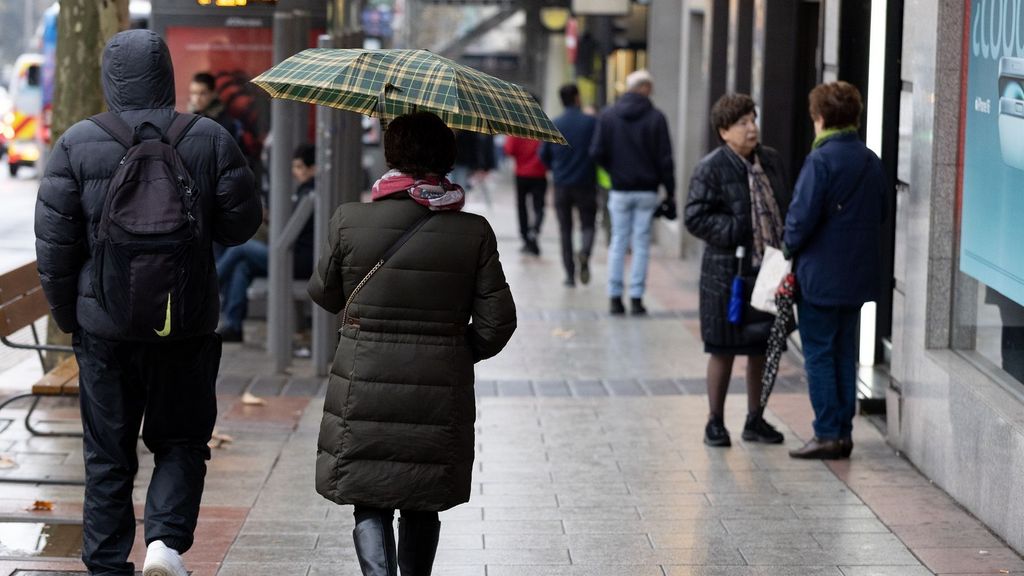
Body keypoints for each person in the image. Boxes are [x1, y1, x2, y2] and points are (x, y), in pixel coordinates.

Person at [34, 30, 261, 576]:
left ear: (109, 78)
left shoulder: (76, 142)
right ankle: (164, 544)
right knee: (182, 440)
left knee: (107, 455)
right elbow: (241, 224)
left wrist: (73, 319)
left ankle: (108, 564)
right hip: (184, 323)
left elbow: (56, 248)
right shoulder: (206, 137)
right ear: (167, 74)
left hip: (105, 329)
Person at [308, 112, 516, 576]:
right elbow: (498, 320)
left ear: (390, 156)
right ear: (447, 158)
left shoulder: (350, 219)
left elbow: (323, 293)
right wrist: (457, 351)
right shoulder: (473, 231)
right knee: (423, 499)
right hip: (438, 385)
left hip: (364, 376)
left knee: (368, 494)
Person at [784, 81, 887, 460]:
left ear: (821, 119)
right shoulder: (870, 160)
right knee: (844, 352)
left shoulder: (821, 161)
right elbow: (881, 213)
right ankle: (842, 432)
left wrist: (787, 247)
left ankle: (827, 432)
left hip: (821, 277)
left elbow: (799, 219)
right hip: (858, 275)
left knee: (820, 355)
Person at [684, 93, 791, 448]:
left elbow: (783, 204)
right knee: (723, 347)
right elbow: (695, 217)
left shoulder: (770, 161)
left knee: (761, 345)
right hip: (725, 273)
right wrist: (736, 228)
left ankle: (755, 418)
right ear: (724, 131)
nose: (751, 128)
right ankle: (715, 422)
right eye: (742, 122)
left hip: (768, 268)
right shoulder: (711, 167)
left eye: (753, 119)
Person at [590, 70, 675, 315]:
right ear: (646, 87)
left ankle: (615, 297)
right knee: (641, 244)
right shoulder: (657, 118)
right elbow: (665, 159)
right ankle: (637, 297)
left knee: (618, 242)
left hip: (620, 189)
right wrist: (669, 191)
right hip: (647, 190)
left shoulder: (608, 115)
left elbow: (596, 151)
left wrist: (615, 171)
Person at [215, 143, 316, 343]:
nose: (296, 172)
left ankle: (207, 284)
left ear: (314, 168)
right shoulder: (306, 191)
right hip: (292, 255)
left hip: (297, 260)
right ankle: (234, 326)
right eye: (294, 167)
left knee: (241, 248)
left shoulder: (310, 193)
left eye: (300, 167)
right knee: (242, 267)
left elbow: (292, 231)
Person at [540, 83, 598, 287]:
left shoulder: (554, 124)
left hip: (562, 184)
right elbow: (599, 150)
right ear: (577, 98)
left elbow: (543, 156)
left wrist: (557, 169)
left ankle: (570, 276)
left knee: (565, 230)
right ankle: (585, 252)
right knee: (588, 224)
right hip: (586, 183)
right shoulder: (591, 123)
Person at [504, 131, 548, 255]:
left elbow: (509, 150)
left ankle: (525, 236)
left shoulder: (518, 130)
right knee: (539, 206)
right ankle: (535, 230)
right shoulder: (541, 131)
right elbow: (547, 152)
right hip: (539, 174)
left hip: (521, 174)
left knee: (521, 207)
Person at [188, 71, 242, 142]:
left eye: (203, 93)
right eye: (193, 93)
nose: (196, 99)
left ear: (213, 93)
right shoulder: (189, 117)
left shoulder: (224, 123)